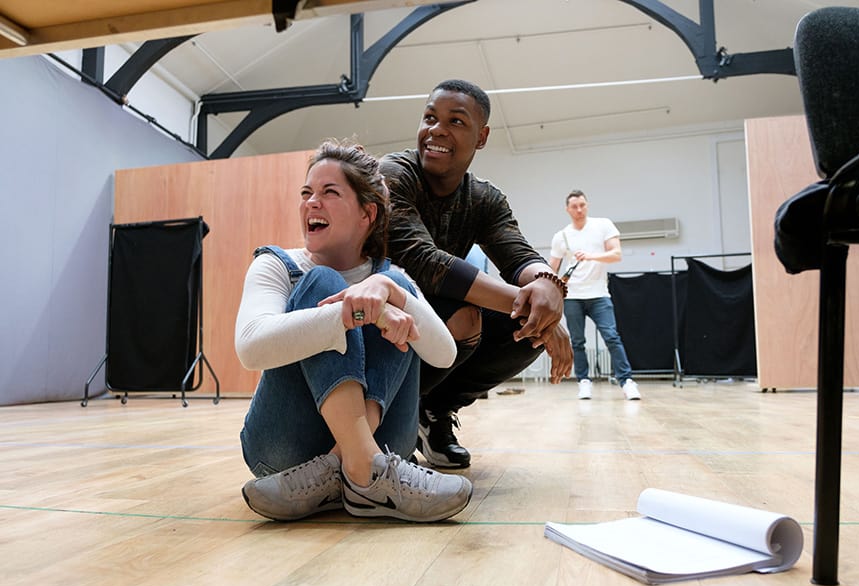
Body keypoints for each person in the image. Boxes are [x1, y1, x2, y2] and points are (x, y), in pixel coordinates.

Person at [235, 139, 472, 523]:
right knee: (322, 282)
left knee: (392, 293)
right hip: (281, 452)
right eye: (307, 193)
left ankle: (344, 466)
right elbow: (250, 348)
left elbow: (444, 354)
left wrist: (392, 294)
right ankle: (363, 472)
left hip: (386, 445)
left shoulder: (394, 277)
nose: (312, 202)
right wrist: (363, 315)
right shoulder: (277, 265)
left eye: (330, 192)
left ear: (367, 214)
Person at [380, 79, 574, 469]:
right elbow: (425, 262)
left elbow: (518, 255)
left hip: (435, 319)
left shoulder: (485, 198)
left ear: (481, 137)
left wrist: (547, 286)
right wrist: (536, 302)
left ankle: (434, 411)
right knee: (472, 314)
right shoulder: (392, 174)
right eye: (430, 117)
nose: (437, 129)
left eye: (456, 121)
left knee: (527, 328)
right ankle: (390, 412)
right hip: (380, 319)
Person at [549, 189, 641, 401]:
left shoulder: (603, 225)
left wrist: (591, 256)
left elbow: (616, 254)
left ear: (587, 205)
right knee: (577, 341)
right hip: (572, 297)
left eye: (582, 205)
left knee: (612, 337)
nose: (579, 210)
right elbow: (552, 267)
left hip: (599, 294)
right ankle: (584, 382)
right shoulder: (561, 236)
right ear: (567, 209)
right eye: (574, 206)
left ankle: (626, 381)